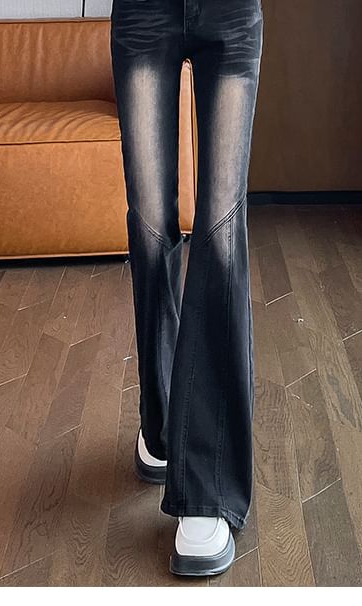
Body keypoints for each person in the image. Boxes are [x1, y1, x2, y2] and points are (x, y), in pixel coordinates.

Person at [110, 0, 264, 577]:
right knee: (151, 227)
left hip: (230, 13)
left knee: (220, 232)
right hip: (142, 12)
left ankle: (207, 486)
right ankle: (161, 421)